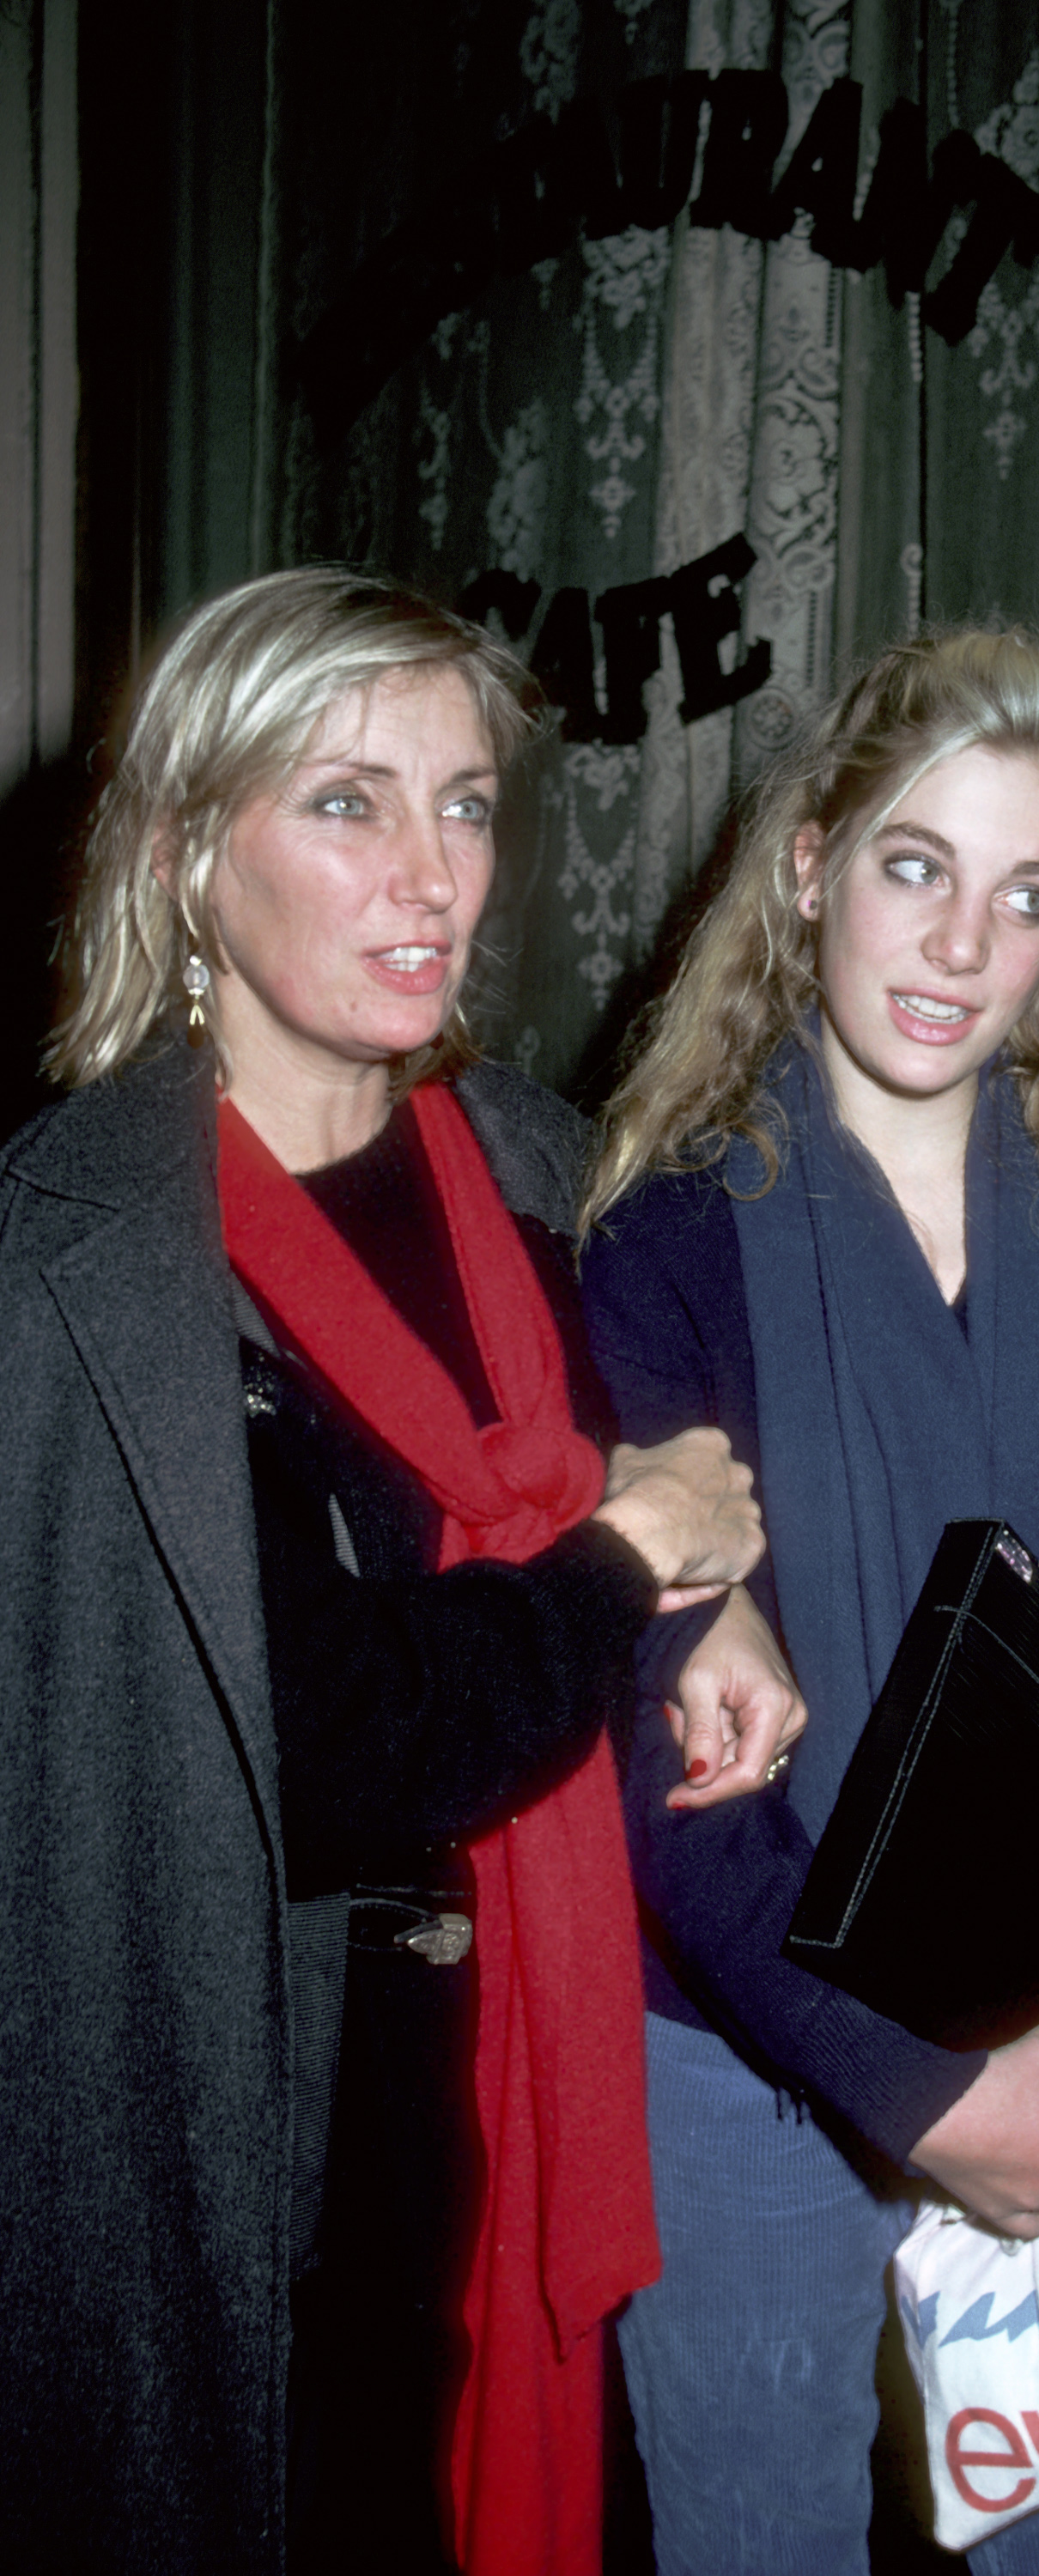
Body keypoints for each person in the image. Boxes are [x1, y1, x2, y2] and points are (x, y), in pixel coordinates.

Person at [0, 567, 799, 2576]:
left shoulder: (535, 1167)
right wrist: (634, 1563)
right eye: (346, 804)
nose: (429, 873)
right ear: (190, 855)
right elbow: (334, 1738)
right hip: (253, 2122)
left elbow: (606, 1468)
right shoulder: (77, 1265)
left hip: (533, 2085)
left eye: (463, 803)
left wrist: (713, 1593)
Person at [577, 628, 1039, 2574]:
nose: (962, 943)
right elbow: (653, 1740)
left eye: (1023, 892)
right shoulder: (658, 1237)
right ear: (808, 865)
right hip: (742, 2050)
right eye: (914, 864)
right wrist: (907, 2092)